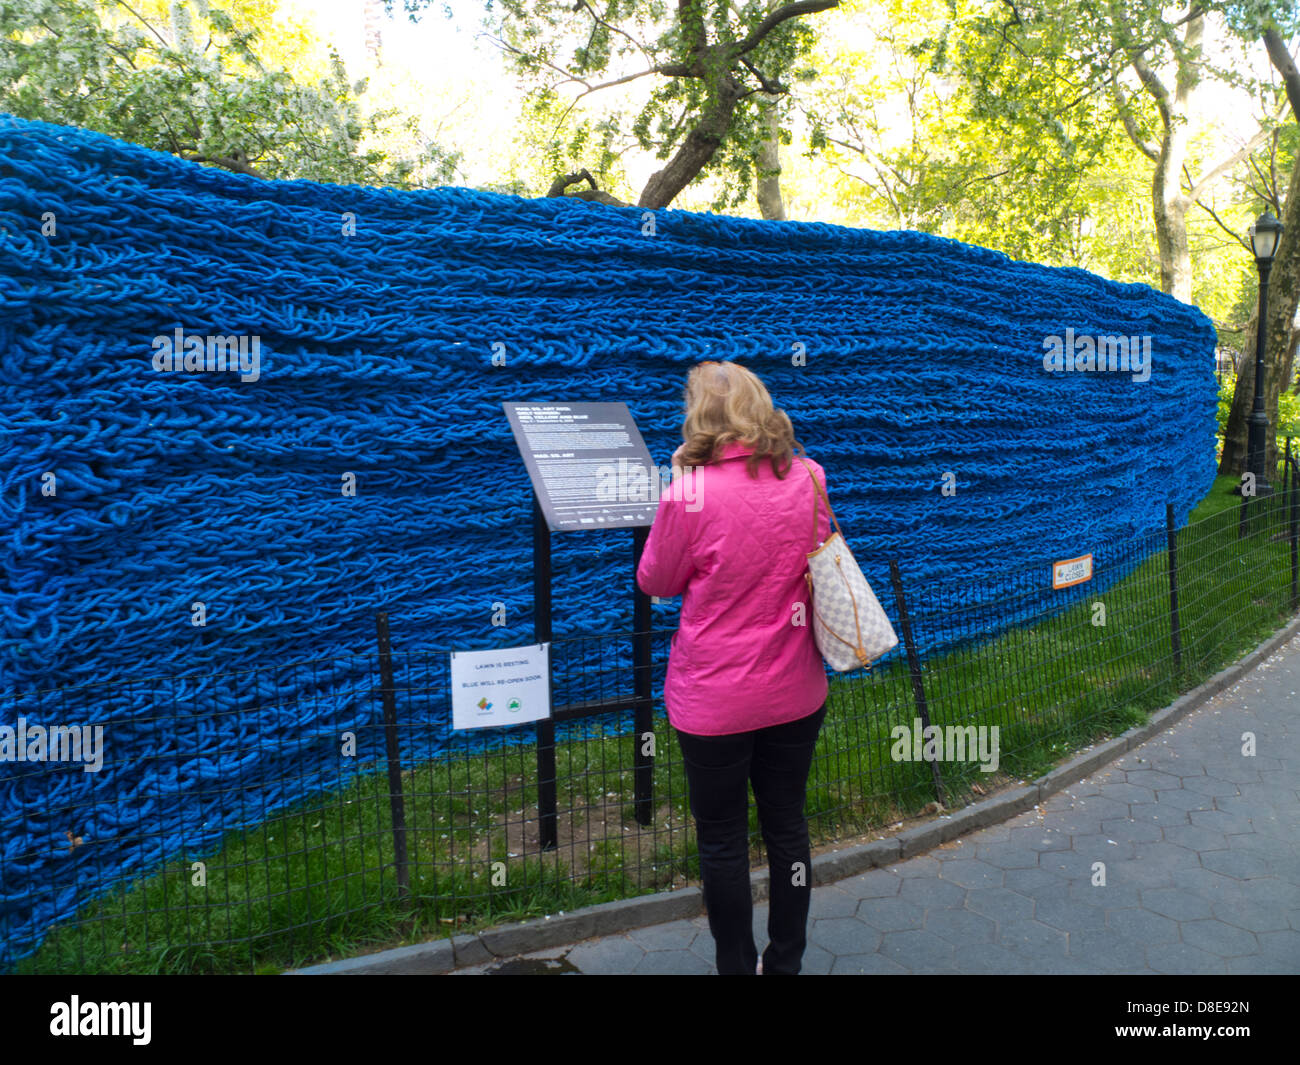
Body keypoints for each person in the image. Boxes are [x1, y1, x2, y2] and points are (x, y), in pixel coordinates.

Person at [636, 360, 831, 976]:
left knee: (721, 842)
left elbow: (657, 582)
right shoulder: (810, 476)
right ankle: (787, 965)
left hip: (714, 699)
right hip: (796, 690)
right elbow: (816, 560)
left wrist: (678, 487)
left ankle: (735, 969)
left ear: (701, 416)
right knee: (788, 828)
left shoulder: (689, 493)